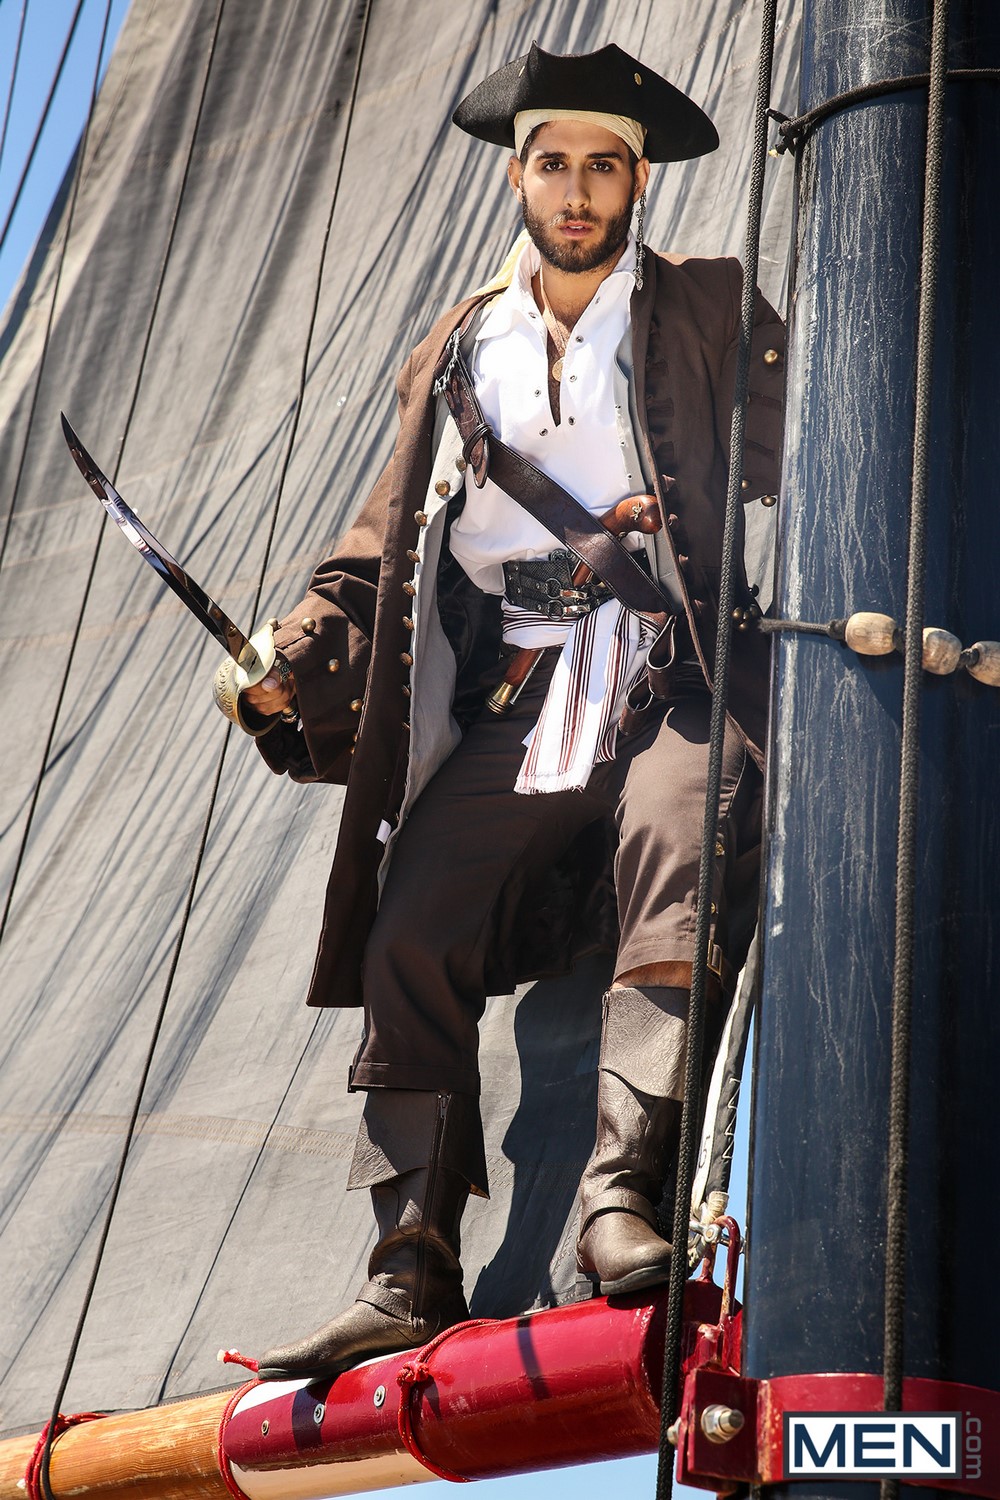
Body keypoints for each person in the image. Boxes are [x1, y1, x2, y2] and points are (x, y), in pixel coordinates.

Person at [219, 42, 784, 1380]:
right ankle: (408, 1266)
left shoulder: (711, 305)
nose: (577, 191)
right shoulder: (459, 345)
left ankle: (621, 1201)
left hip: (674, 679)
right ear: (518, 177)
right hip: (526, 698)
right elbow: (377, 557)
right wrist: (286, 658)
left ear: (635, 180)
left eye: (602, 166)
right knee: (410, 922)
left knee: (683, 855)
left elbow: (819, 456)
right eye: (553, 164)